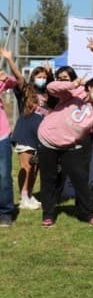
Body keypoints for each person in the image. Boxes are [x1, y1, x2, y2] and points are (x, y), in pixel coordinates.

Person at [37, 76, 93, 227]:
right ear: (89, 87)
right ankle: (48, 214)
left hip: (71, 145)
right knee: (49, 179)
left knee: (80, 180)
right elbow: (51, 87)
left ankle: (88, 214)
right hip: (49, 140)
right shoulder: (74, 93)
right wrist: (73, 84)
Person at [2, 49, 47, 210]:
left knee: (35, 167)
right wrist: (10, 60)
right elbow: (19, 78)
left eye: (44, 77)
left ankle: (29, 194)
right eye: (39, 76)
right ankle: (23, 197)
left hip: (40, 137)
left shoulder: (48, 94)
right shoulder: (26, 90)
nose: (41, 79)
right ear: (33, 77)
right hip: (24, 134)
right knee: (26, 166)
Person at [0, 68, 18, 227]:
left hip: (1, 136)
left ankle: (5, 212)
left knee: (4, 175)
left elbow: (14, 83)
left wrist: (7, 77)